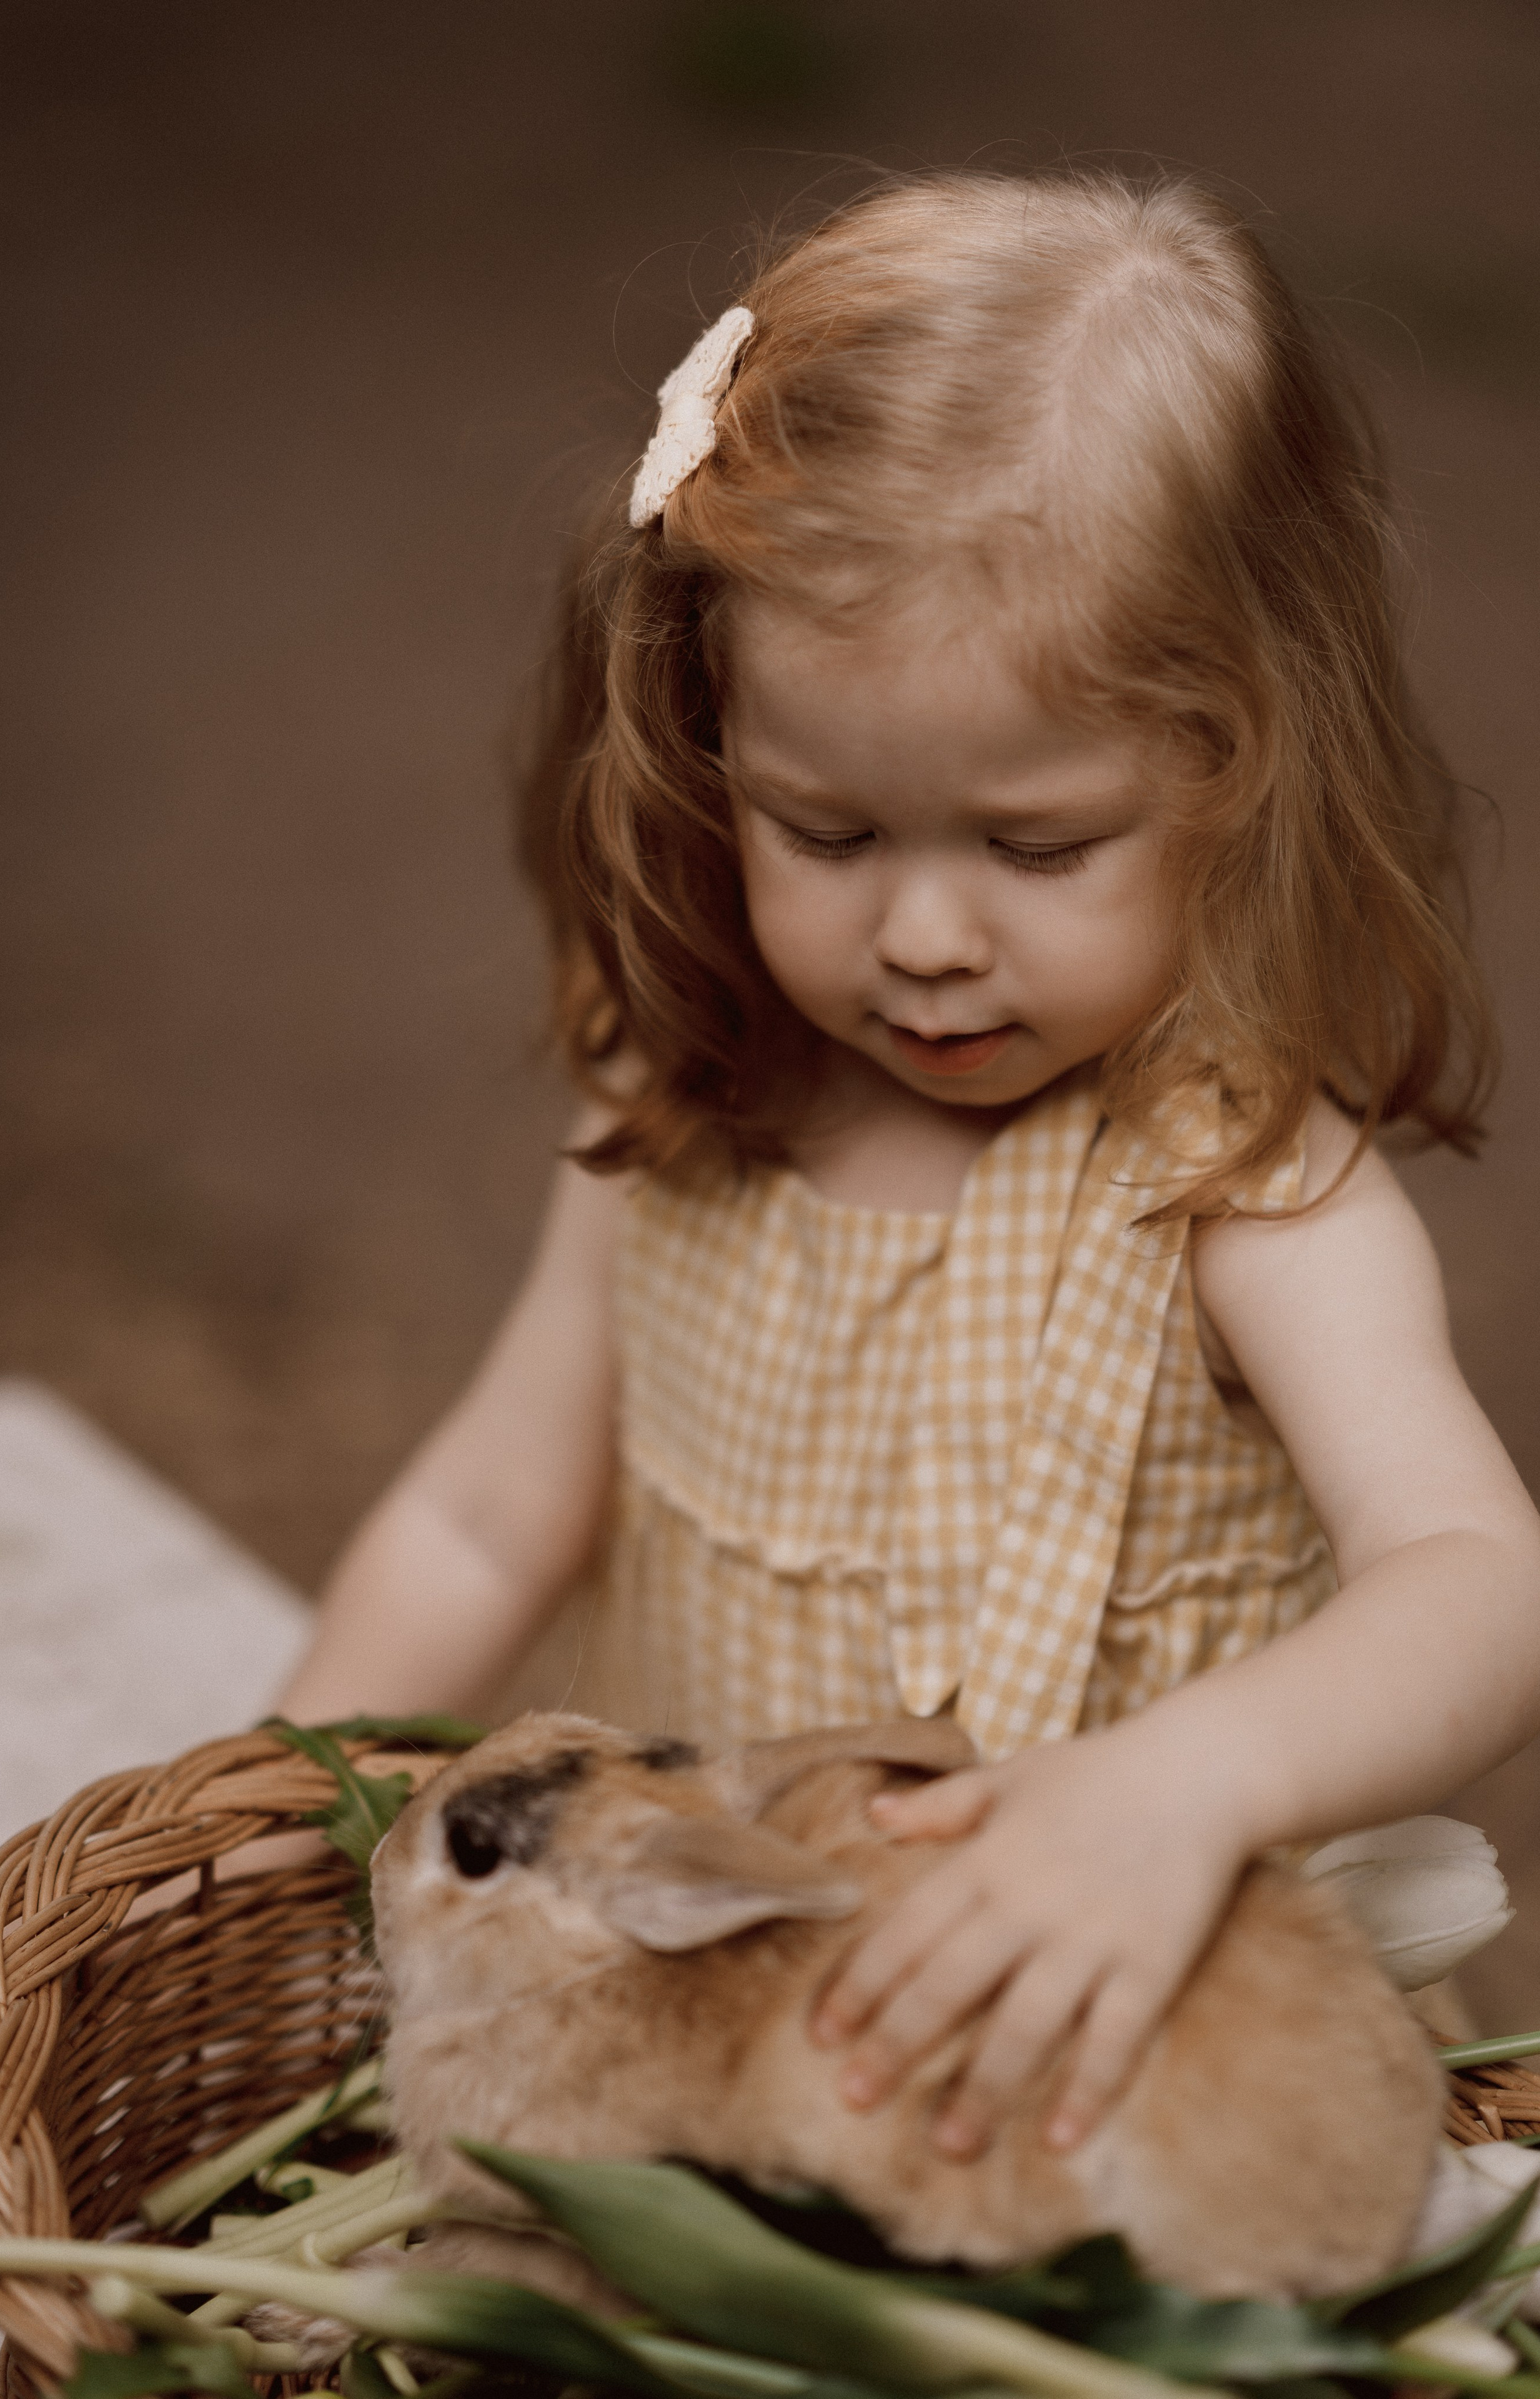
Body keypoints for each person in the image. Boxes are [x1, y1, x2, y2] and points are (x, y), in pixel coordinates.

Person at [277, 171, 1540, 2162]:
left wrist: (1183, 1789)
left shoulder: (1239, 1193)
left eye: (1038, 848)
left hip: (1117, 2101)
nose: (927, 936)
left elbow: (1480, 1586)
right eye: (828, 832)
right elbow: (484, 1514)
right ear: (712, 754)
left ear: (1242, 782)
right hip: (718, 2059)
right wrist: (279, 1824)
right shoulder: (682, 1093)